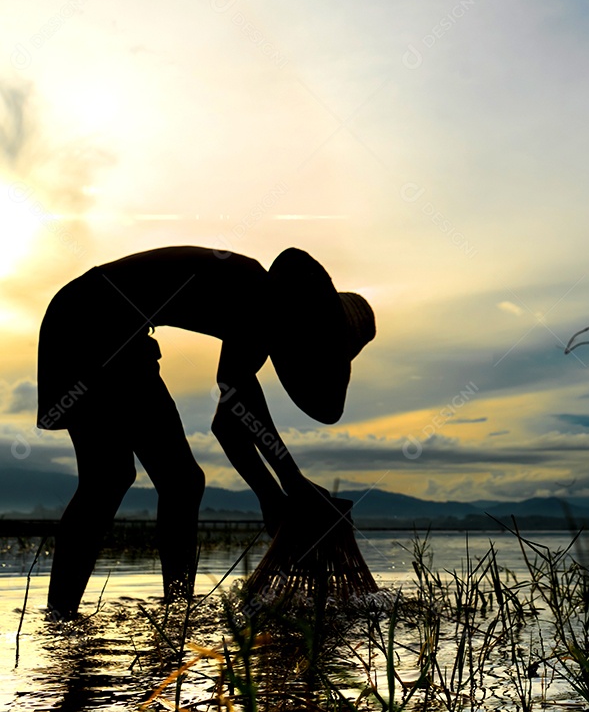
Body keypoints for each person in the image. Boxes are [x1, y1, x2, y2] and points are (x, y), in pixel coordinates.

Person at [36, 246, 375, 619]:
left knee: (117, 478)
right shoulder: (254, 289)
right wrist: (290, 481)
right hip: (97, 321)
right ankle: (175, 612)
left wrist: (271, 495)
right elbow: (234, 394)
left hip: (85, 319)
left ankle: (65, 616)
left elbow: (228, 423)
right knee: (161, 481)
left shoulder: (255, 320)